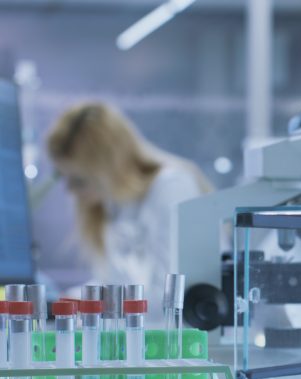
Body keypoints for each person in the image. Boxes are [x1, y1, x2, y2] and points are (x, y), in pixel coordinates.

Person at [46, 102, 212, 311]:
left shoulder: (172, 188)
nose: (69, 191)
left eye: (79, 180)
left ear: (109, 168)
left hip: (185, 337)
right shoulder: (114, 204)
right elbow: (114, 285)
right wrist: (61, 301)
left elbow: (167, 298)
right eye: (64, 177)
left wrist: (82, 305)